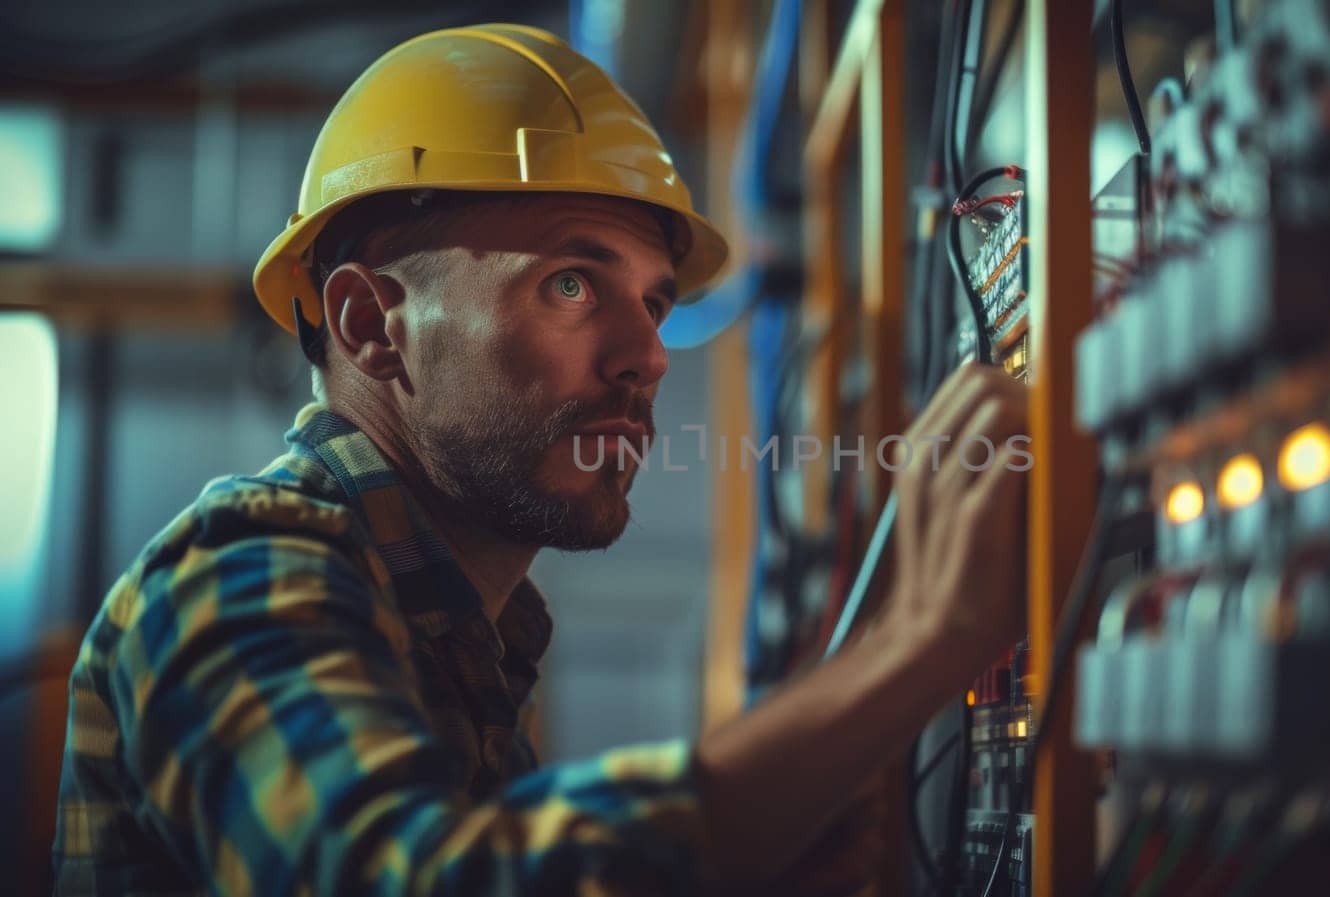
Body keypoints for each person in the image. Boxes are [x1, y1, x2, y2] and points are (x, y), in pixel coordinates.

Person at [53, 24, 1030, 896]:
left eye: (653, 302)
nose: (648, 357)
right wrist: (923, 637)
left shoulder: (463, 642)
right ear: (369, 323)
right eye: (570, 283)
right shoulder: (233, 577)